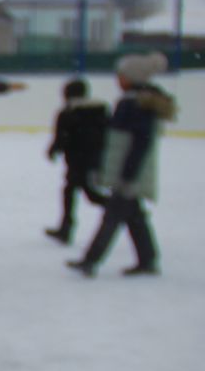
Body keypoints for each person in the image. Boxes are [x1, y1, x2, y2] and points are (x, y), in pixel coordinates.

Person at [69, 53, 174, 278]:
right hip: (125, 170)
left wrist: (127, 174)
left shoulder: (138, 104)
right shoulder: (132, 101)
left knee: (113, 215)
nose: (118, 79)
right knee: (134, 215)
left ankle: (90, 260)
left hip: (128, 172)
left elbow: (138, 142)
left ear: (132, 77)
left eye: (122, 75)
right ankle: (148, 259)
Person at [45, 78, 110, 244]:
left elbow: (61, 137)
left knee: (84, 193)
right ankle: (66, 227)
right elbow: (107, 135)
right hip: (94, 160)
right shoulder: (100, 110)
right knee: (78, 191)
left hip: (75, 160)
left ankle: (122, 211)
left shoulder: (67, 113)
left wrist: (53, 151)